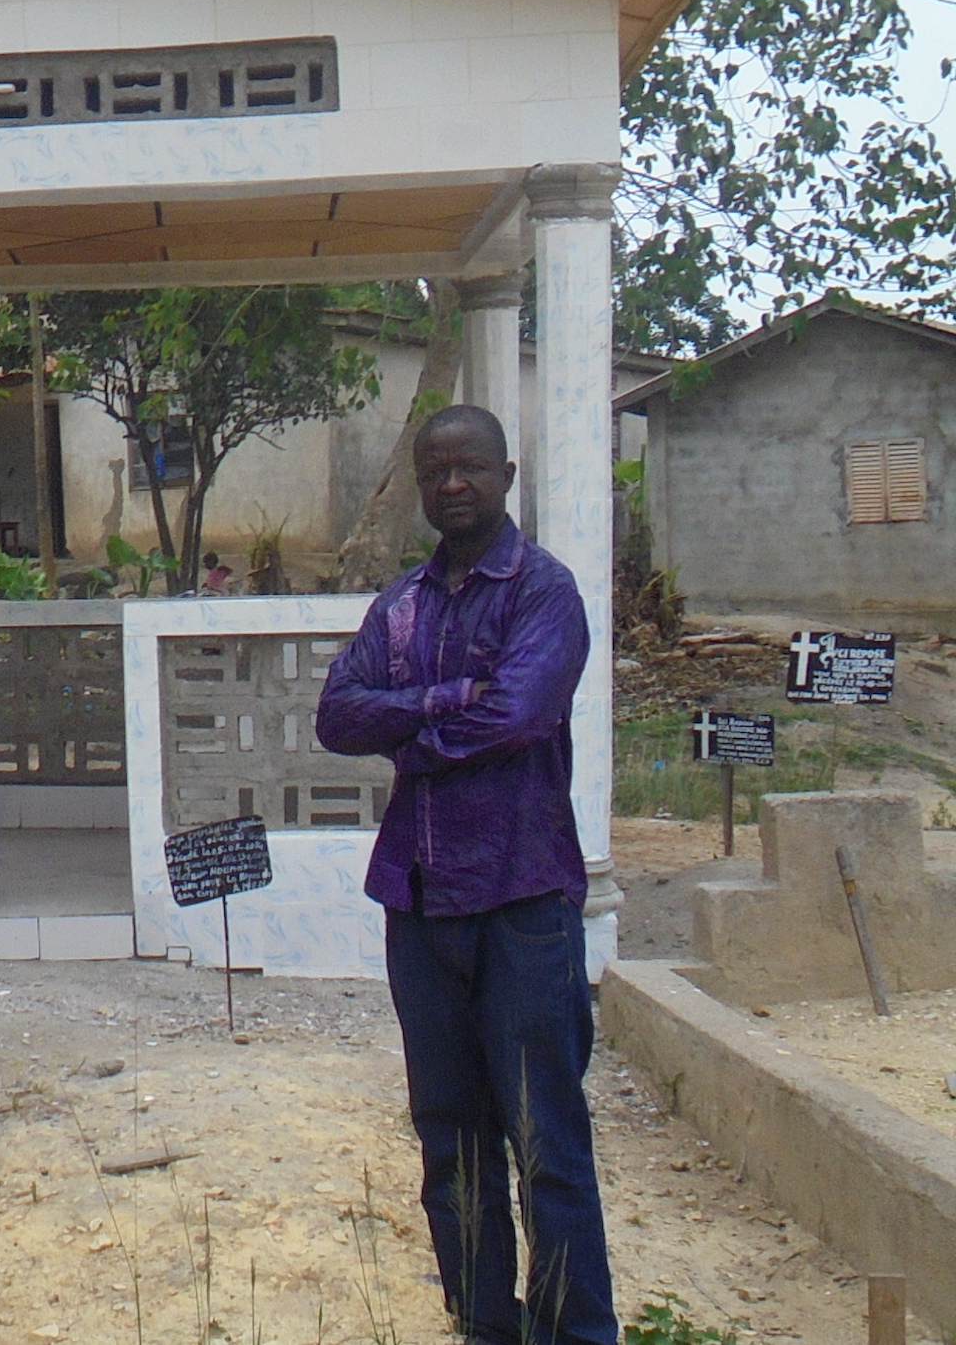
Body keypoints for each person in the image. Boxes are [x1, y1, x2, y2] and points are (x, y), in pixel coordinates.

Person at [314, 405, 609, 1345]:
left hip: (522, 900)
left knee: (546, 1142)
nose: (452, 485)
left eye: (470, 468)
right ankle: (485, 1324)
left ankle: (574, 1333)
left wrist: (415, 733)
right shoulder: (400, 605)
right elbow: (338, 717)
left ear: (506, 475)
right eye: (436, 471)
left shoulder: (543, 593)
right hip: (423, 899)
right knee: (450, 1141)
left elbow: (519, 714)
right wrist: (445, 700)